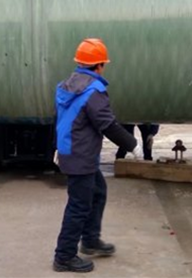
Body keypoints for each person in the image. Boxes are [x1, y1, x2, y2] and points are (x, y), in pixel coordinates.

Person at [53, 38, 142, 273]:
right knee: (78, 206)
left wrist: (59, 146)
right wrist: (132, 144)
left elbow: (63, 118)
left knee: (98, 192)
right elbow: (108, 124)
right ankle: (64, 257)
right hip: (80, 156)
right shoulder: (93, 91)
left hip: (74, 152)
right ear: (99, 65)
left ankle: (90, 240)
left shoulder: (67, 85)